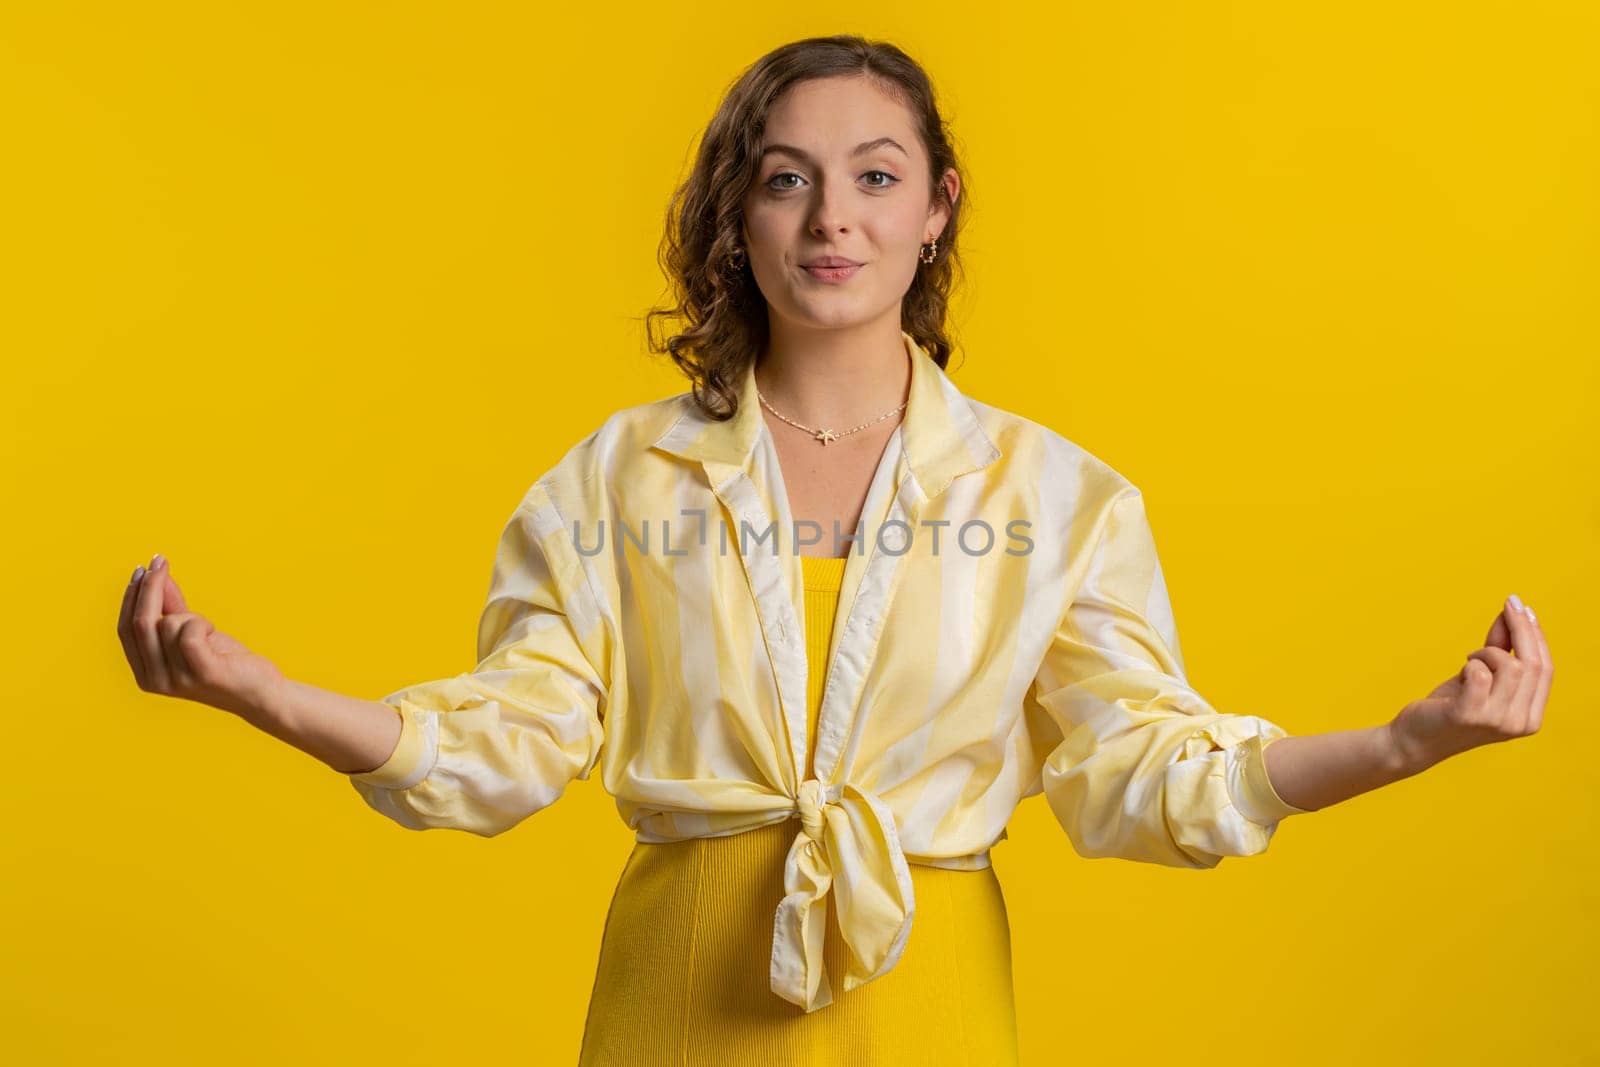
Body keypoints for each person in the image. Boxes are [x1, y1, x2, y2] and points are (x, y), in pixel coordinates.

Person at [116, 34, 1554, 1067]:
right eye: (787, 179)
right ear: (735, 218)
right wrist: (270, 697)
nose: (831, 218)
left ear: (934, 214)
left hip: (928, 1011)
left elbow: (1143, 780)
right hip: (678, 1004)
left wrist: (1404, 743)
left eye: (875, 177)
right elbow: (507, 742)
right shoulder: (619, 478)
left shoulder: (1056, 496)